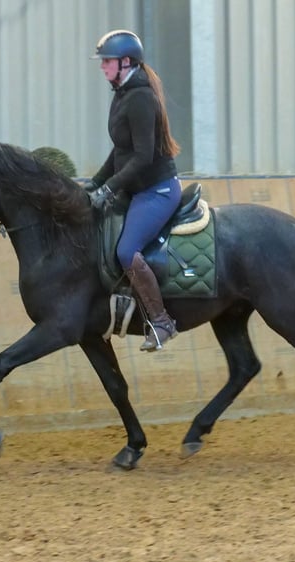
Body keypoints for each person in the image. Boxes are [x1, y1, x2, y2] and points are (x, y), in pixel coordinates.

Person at [85, 29, 181, 352]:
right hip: (136, 187)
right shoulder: (122, 93)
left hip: (157, 190)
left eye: (107, 62)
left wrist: (109, 189)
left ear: (126, 63)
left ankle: (162, 320)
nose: (103, 67)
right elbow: (120, 151)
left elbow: (142, 157)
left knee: (127, 251)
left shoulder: (141, 98)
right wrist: (95, 184)